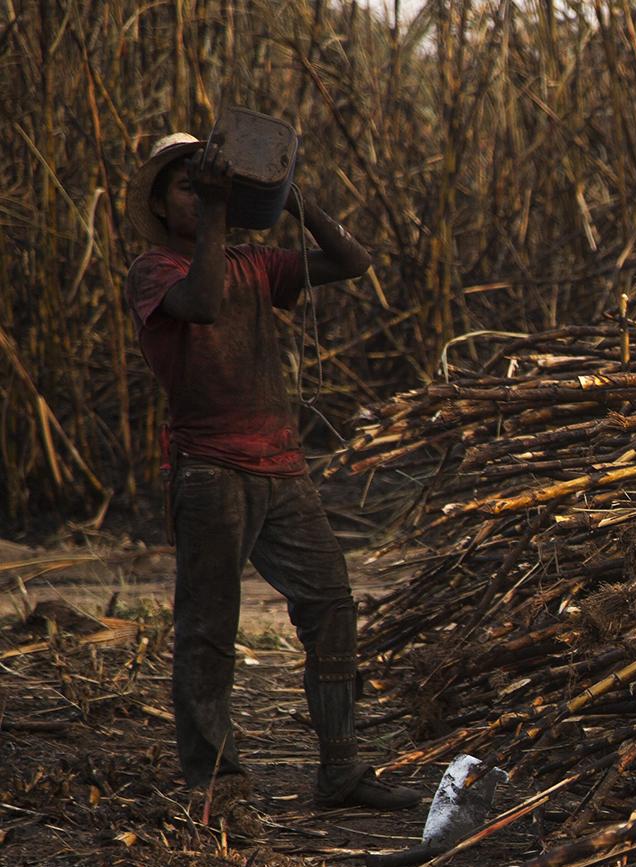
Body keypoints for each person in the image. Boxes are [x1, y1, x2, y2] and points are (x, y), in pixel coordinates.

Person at [124, 131, 417, 810]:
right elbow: (201, 302)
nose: (202, 199)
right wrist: (225, 213)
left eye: (209, 186)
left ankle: (339, 771)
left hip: (281, 467)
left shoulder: (255, 263)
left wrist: (293, 199)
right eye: (188, 188)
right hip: (210, 471)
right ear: (163, 206)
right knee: (209, 627)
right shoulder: (155, 270)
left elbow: (352, 260)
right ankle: (215, 782)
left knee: (330, 605)